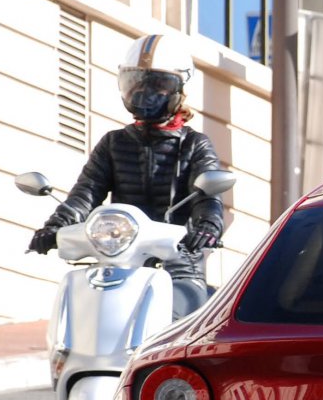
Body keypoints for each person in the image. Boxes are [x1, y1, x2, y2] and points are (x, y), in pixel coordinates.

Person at [28, 33, 227, 319]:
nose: (144, 93)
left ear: (178, 90)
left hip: (177, 262)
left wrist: (208, 225)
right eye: (136, 83)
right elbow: (85, 193)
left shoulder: (195, 144)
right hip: (120, 258)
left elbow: (208, 194)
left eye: (158, 85)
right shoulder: (113, 142)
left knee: (181, 319)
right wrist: (54, 227)